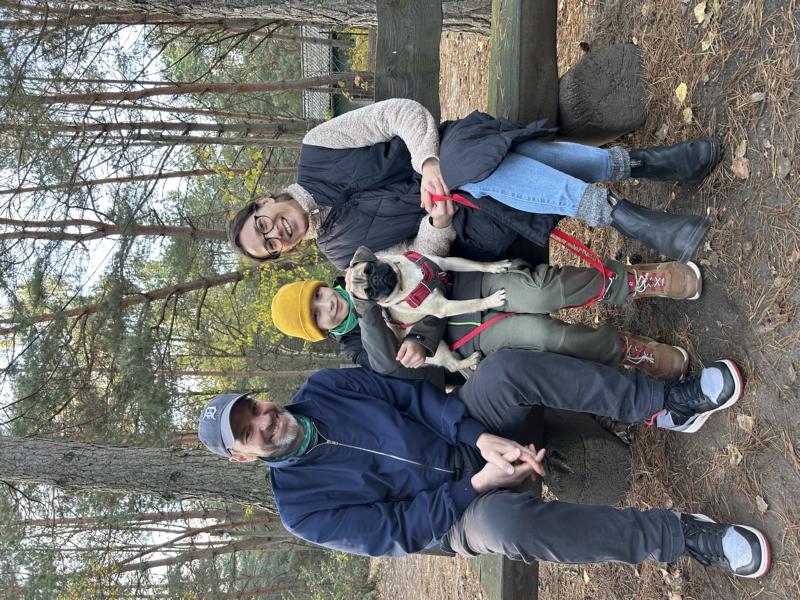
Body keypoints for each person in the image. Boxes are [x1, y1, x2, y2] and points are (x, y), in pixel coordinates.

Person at [198, 349, 771, 578]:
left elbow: (412, 398)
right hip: (454, 516)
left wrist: (480, 437)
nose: (266, 420)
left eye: (255, 408)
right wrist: (478, 485)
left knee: (502, 372)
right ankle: (682, 536)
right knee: (507, 526)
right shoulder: (301, 510)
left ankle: (666, 403)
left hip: (466, 436)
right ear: (245, 455)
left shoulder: (323, 388)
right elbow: (396, 531)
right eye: (250, 431)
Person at [227, 98, 719, 269]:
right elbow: (419, 258)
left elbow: (402, 113)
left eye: (263, 225)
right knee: (484, 178)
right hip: (475, 223)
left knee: (471, 168)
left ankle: (627, 215)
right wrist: (437, 222)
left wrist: (426, 163)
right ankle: (645, 166)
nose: (277, 234)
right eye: (270, 246)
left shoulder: (318, 148)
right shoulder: (341, 255)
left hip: (451, 147)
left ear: (264, 201)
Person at [269, 255, 702, 380]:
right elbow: (388, 364)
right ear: (322, 331)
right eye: (319, 315)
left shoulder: (361, 267)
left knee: (543, 290)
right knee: (547, 338)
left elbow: (418, 259)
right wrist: (369, 309)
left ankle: (635, 281)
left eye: (320, 296)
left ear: (323, 285)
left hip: (468, 288)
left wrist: (416, 330)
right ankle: (624, 349)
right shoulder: (355, 348)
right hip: (470, 340)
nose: (329, 305)